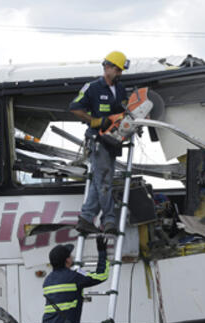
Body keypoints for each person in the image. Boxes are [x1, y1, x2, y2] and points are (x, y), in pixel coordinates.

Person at [70, 51, 130, 235]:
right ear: (107, 67)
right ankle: (109, 220)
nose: (119, 74)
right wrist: (94, 121)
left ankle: (86, 218)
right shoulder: (93, 88)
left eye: (120, 70)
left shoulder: (120, 89)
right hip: (98, 141)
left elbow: (125, 109)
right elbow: (75, 108)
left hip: (113, 140)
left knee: (101, 181)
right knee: (104, 182)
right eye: (117, 70)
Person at [40, 236, 109, 323]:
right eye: (70, 256)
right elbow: (102, 275)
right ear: (67, 260)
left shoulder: (47, 281)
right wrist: (102, 252)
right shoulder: (74, 277)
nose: (72, 257)